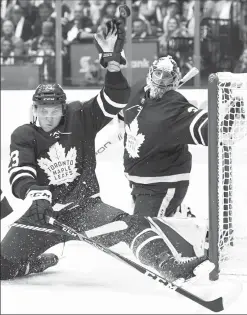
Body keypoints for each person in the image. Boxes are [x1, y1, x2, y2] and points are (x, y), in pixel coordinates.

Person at [1, 23, 208, 284]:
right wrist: (36, 193)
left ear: (64, 108)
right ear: (35, 109)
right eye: (43, 110)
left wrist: (112, 65)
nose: (49, 115)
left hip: (85, 208)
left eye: (55, 109)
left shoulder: (79, 117)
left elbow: (115, 97)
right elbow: (20, 173)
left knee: (132, 224)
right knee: (1, 266)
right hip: (44, 214)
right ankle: (36, 263)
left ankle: (169, 265)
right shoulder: (24, 134)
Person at [123, 55, 208, 218]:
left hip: (161, 185)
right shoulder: (137, 91)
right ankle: (179, 214)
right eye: (158, 73)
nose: (161, 80)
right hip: (139, 184)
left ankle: (189, 224)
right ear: (150, 74)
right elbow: (125, 113)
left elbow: (207, 129)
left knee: (141, 234)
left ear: (174, 81)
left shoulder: (175, 107)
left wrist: (227, 117)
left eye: (167, 76)